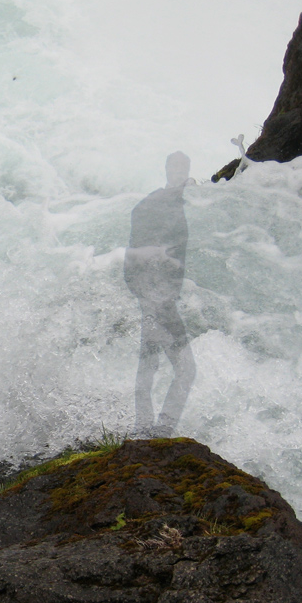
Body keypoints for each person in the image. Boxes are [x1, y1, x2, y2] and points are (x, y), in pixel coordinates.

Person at [124, 152, 197, 437]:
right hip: (158, 299)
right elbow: (135, 255)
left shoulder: (160, 203)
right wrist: (149, 297)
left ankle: (145, 428)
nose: (181, 172)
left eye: (184, 168)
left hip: (156, 297)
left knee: (149, 363)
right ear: (167, 169)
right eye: (176, 167)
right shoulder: (154, 204)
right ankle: (160, 428)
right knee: (184, 368)